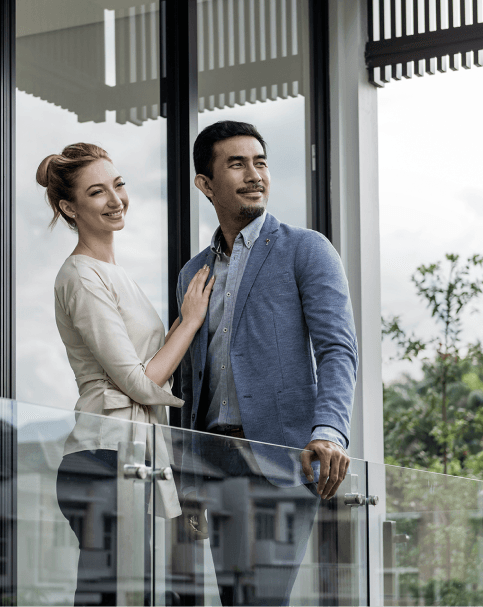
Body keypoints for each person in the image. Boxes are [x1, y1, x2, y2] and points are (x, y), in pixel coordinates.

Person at [175, 121, 359, 606]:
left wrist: (328, 432)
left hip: (281, 460)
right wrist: (186, 477)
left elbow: (338, 349)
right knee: (232, 599)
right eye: (236, 164)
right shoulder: (193, 274)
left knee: (263, 601)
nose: (254, 174)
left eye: (259, 162)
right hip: (212, 463)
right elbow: (192, 381)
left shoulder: (306, 249)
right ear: (206, 184)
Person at [39, 143, 215, 607]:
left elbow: (147, 363)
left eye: (118, 185)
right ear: (68, 207)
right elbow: (136, 382)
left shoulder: (117, 275)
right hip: (104, 455)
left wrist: (183, 320)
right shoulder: (80, 275)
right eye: (97, 192)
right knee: (109, 596)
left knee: (150, 590)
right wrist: (191, 321)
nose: (115, 199)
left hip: (137, 452)